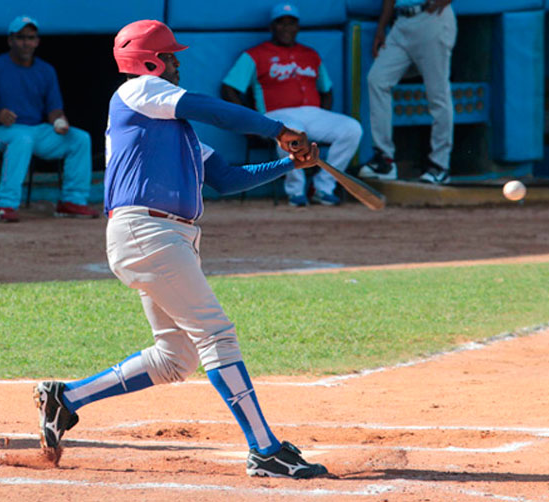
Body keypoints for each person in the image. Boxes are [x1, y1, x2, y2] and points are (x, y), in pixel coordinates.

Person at [32, 20, 328, 479]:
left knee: (176, 358)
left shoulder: (170, 125)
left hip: (164, 239)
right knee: (217, 335)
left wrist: (287, 162)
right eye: (169, 56)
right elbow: (214, 109)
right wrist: (278, 128)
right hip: (148, 234)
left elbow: (227, 179)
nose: (177, 62)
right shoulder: (138, 92)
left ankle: (66, 398)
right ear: (149, 62)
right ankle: (265, 449)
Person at [221, 3, 362, 207]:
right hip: (276, 113)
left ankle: (323, 187)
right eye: (281, 23)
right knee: (294, 131)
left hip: (313, 113)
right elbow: (229, 88)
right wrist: (250, 122)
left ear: (298, 27)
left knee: (352, 129)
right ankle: (296, 190)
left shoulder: (310, 54)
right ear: (272, 27)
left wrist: (323, 114)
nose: (286, 28)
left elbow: (327, 90)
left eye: (291, 23)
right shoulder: (255, 54)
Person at [0, 15, 98, 223]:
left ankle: (72, 202)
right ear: (10, 40)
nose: (26, 42)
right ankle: (5, 204)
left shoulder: (46, 70)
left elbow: (54, 109)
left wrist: (59, 121)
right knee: (22, 139)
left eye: (31, 37)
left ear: (37, 41)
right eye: (20, 37)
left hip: (36, 130)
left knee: (79, 139)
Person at [358, 0, 456, 184]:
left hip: (432, 18)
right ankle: (384, 159)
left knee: (438, 94)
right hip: (401, 23)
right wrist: (381, 28)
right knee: (377, 79)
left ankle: (440, 165)